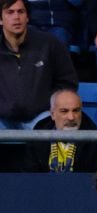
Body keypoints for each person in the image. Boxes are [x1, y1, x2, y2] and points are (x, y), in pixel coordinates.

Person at [0, 0, 78, 130]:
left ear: (28, 17)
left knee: (61, 122)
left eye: (21, 11)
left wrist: (46, 103)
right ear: (1, 19)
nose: (16, 17)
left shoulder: (49, 44)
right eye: (10, 12)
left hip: (41, 115)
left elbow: (68, 82)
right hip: (3, 119)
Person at [23, 88, 97, 173]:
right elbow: (30, 173)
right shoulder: (38, 134)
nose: (71, 117)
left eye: (76, 111)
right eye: (64, 111)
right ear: (53, 114)